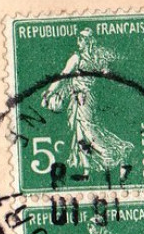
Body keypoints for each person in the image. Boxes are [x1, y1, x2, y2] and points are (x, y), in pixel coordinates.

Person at [41, 28, 133, 174]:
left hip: (85, 100)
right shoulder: (80, 58)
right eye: (79, 39)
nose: (79, 42)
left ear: (88, 41)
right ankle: (86, 171)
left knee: (90, 133)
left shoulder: (87, 58)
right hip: (76, 99)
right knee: (80, 136)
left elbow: (105, 74)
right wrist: (49, 91)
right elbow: (63, 76)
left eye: (82, 39)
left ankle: (117, 153)